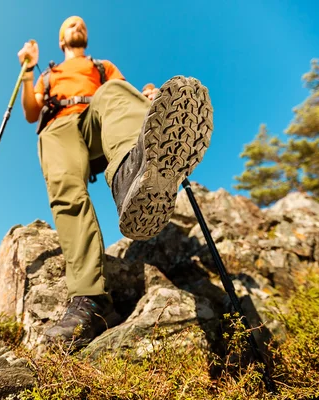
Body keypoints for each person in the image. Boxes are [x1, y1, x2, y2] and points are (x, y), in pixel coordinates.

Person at [17, 16, 213, 347]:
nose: (77, 25)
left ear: (85, 38)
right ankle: (91, 301)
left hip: (96, 121)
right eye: (70, 24)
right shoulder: (48, 75)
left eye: (81, 24)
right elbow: (31, 111)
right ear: (62, 40)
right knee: (68, 194)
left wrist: (147, 101)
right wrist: (27, 68)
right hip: (58, 128)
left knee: (115, 91)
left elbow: (123, 99)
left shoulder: (102, 67)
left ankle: (132, 175)